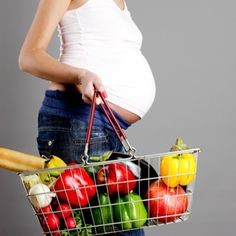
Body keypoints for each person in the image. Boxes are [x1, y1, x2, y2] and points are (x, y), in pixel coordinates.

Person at [18, 0, 156, 235]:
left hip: (103, 127)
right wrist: (80, 76)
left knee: (116, 223)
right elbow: (29, 57)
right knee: (107, 226)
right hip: (77, 124)